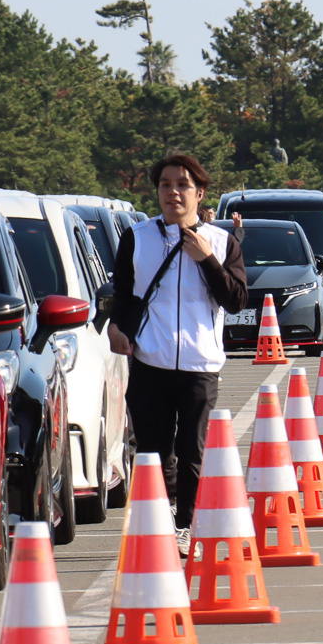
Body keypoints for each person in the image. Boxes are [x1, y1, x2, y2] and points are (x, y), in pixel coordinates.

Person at [107, 153, 248, 551]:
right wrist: (116, 327)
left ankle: (186, 525)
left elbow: (236, 300)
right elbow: (124, 294)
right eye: (165, 185)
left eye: (183, 185)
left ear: (200, 193)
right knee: (154, 450)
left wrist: (206, 259)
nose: (173, 193)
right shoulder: (138, 237)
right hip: (150, 361)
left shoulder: (222, 242)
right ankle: (163, 515)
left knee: (192, 450)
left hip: (199, 366)